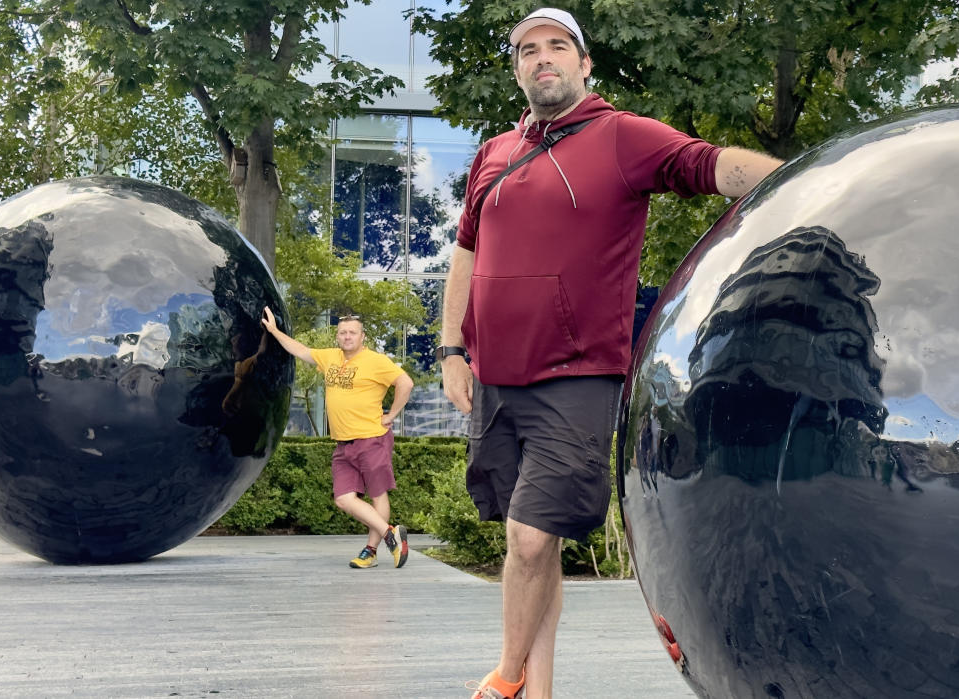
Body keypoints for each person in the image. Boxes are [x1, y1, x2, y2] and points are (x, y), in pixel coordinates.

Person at [436, 8, 784, 698]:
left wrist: (808, 179)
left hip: (577, 379)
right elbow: (465, 254)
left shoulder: (621, 136)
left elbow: (707, 164)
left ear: (584, 63)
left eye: (556, 47)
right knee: (536, 545)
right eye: (527, 51)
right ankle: (540, 692)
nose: (542, 59)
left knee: (531, 540)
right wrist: (451, 348)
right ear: (517, 71)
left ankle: (506, 679)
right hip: (496, 380)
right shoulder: (493, 153)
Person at [260, 307, 414, 569]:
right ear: (337, 337)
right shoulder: (330, 357)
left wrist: (391, 415)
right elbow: (299, 350)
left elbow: (405, 383)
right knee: (343, 498)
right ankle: (391, 533)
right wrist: (274, 331)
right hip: (344, 443)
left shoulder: (376, 361)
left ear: (362, 336)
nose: (347, 336)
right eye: (342, 333)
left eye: (352, 332)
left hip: (372, 438)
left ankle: (371, 551)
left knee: (378, 495)